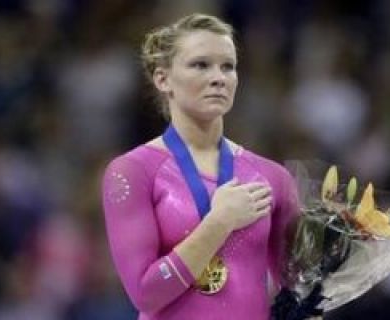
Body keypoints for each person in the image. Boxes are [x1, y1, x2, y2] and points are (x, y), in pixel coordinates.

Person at [101, 13, 300, 320]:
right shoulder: (132, 171)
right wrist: (219, 222)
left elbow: (298, 290)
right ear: (163, 78)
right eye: (200, 64)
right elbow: (145, 293)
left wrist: (338, 251)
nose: (219, 77)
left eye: (228, 66)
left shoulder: (273, 177)